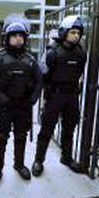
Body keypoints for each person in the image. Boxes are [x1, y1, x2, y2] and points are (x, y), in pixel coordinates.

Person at [0, 14, 41, 183]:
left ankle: (19, 165)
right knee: (1, 138)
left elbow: (39, 81)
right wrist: (1, 98)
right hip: (4, 106)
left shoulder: (31, 60)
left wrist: (33, 99)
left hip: (23, 106)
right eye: (14, 36)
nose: (18, 39)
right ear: (7, 38)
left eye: (20, 36)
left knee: (20, 137)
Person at [32, 15, 87, 177]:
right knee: (46, 130)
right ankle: (38, 160)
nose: (76, 36)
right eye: (73, 32)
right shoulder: (52, 52)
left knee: (69, 128)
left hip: (71, 97)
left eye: (78, 33)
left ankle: (67, 157)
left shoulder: (81, 52)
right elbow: (42, 75)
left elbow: (82, 73)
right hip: (54, 96)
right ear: (64, 32)